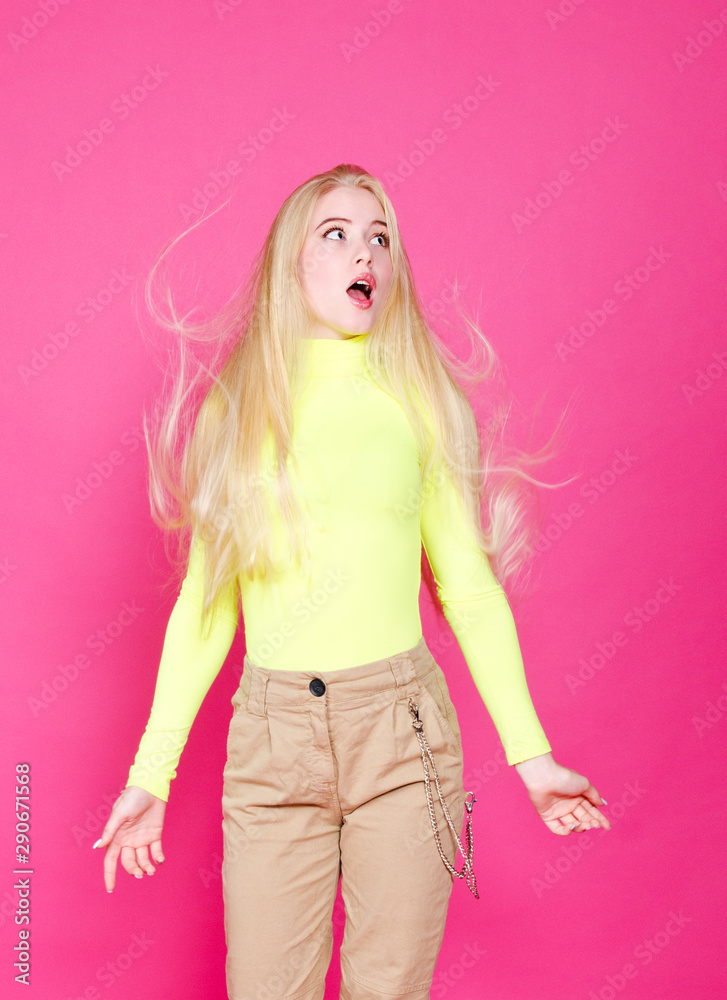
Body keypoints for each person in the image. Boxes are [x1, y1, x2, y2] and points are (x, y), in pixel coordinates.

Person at [93, 164, 610, 1000]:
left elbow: (469, 588)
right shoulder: (236, 409)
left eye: (380, 238)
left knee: (389, 987)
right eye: (335, 234)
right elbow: (205, 605)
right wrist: (151, 775)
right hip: (273, 741)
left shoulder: (423, 400)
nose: (364, 251)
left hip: (402, 734)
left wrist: (533, 758)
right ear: (289, 263)